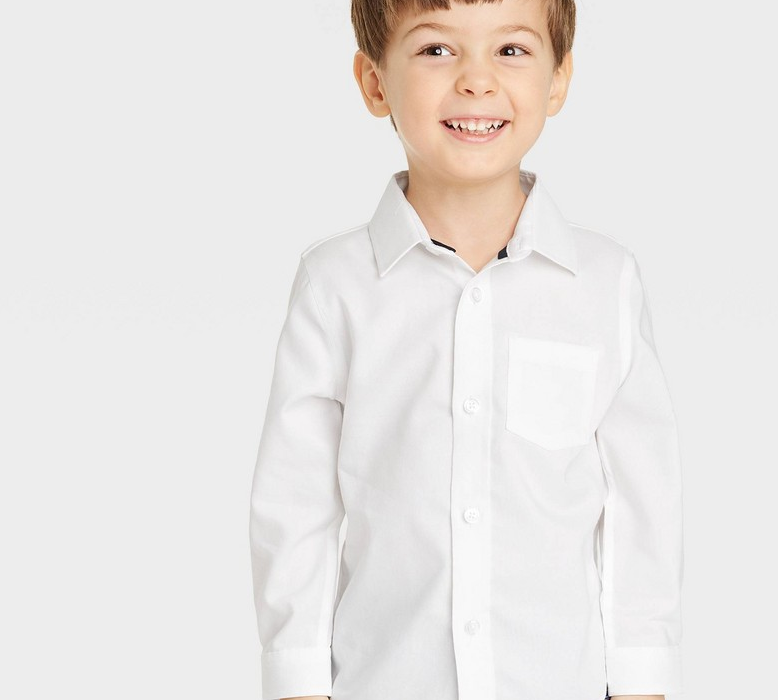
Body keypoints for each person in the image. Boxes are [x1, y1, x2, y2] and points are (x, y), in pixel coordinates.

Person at [248, 1, 685, 699]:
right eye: (436, 50)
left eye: (510, 50)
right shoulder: (335, 285)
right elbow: (296, 503)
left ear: (558, 79)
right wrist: (297, 681)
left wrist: (641, 679)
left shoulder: (605, 284)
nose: (476, 80)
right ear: (374, 83)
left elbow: (642, 503)